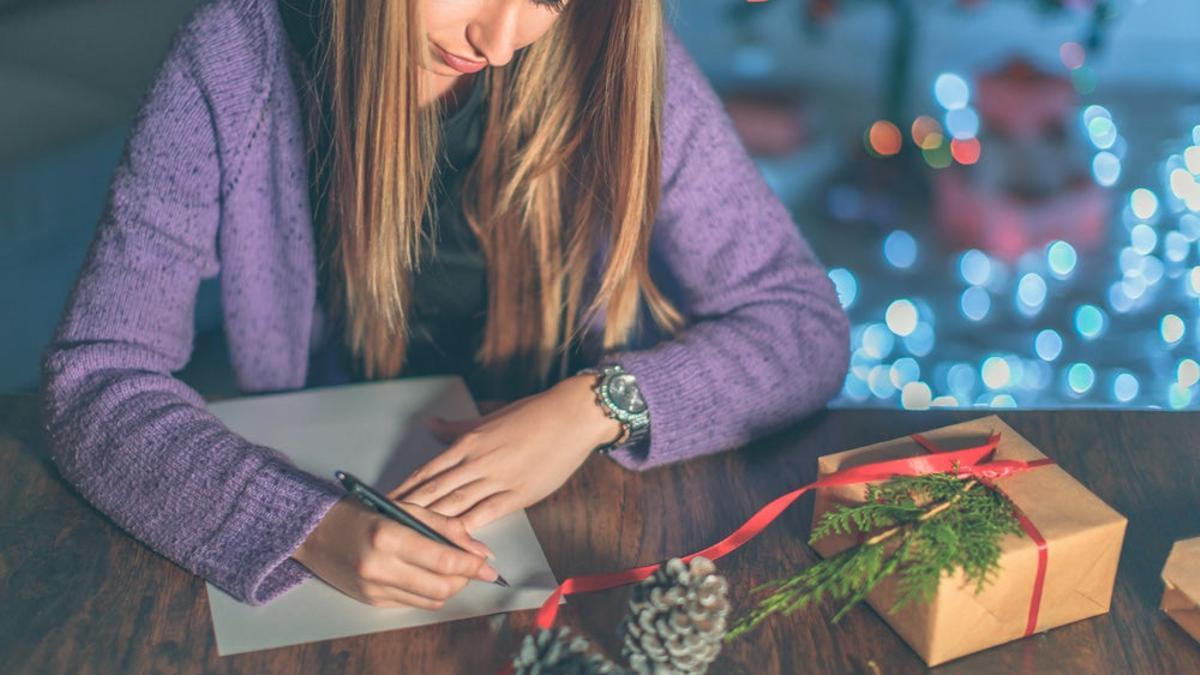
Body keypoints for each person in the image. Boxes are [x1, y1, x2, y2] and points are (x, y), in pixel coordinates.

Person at [39, 0, 850, 613]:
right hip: (335, 477)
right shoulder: (237, 53)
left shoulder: (616, 53)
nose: (497, 45)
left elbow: (802, 324)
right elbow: (97, 378)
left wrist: (596, 407)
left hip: (582, 525)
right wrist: (305, 526)